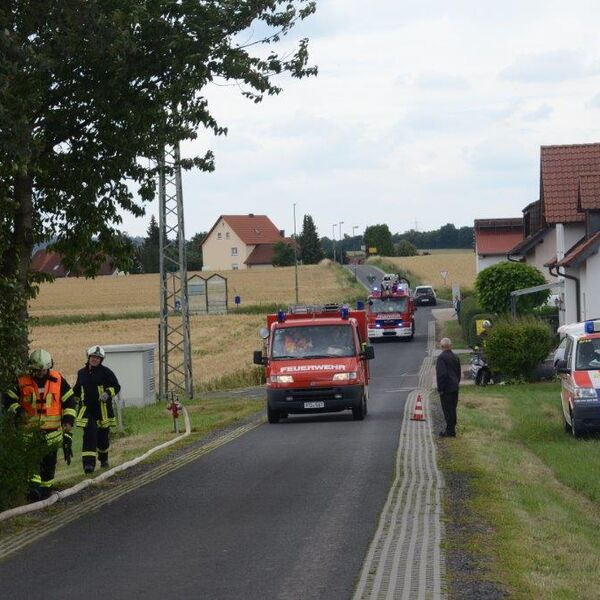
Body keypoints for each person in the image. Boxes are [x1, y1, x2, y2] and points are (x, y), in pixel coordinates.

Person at [2, 349, 77, 501]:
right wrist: (19, 411)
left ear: (48, 367)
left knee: (49, 467)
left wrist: (68, 426)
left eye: (43, 369)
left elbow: (70, 402)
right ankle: (34, 493)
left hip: (52, 434)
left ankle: (45, 493)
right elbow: (8, 399)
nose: (41, 372)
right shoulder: (21, 380)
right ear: (31, 368)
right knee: (32, 465)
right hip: (28, 433)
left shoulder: (58, 380)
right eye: (37, 370)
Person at [74, 345, 121, 473]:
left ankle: (103, 458)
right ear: (88, 357)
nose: (95, 359)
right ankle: (88, 465)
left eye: (98, 358)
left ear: (101, 360)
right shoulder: (81, 373)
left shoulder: (106, 372)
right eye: (93, 357)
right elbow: (77, 390)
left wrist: (107, 393)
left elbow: (116, 386)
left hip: (103, 410)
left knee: (103, 438)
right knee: (90, 434)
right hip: (87, 410)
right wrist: (72, 401)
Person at [436, 337, 462, 437]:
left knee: (447, 409)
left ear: (441, 347)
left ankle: (450, 431)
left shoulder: (441, 358)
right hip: (455, 387)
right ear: (450, 346)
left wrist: (440, 389)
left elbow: (442, 375)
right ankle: (451, 428)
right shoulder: (455, 357)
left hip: (446, 388)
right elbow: (458, 373)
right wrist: (456, 382)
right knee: (453, 408)